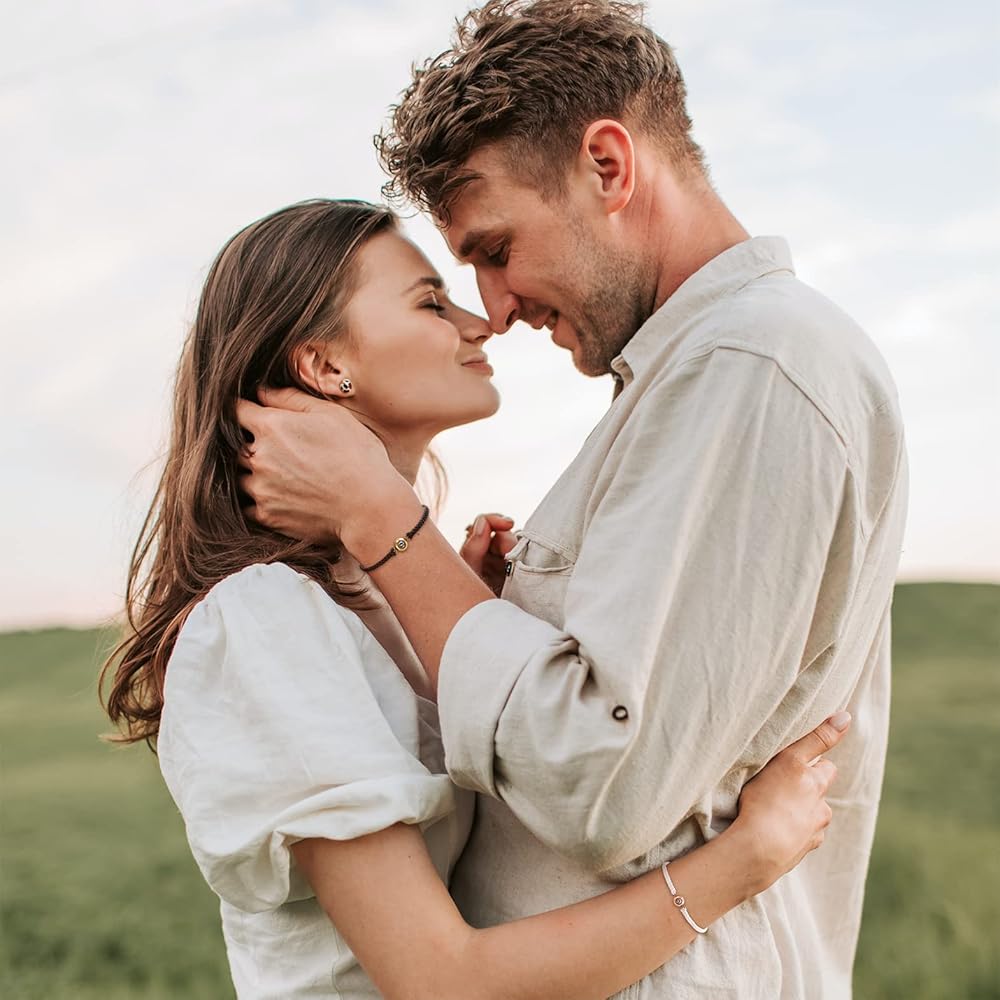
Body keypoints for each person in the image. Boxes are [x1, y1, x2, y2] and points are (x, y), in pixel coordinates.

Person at [235, 3, 909, 999]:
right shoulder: (698, 376)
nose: (495, 309)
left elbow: (603, 782)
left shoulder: (750, 363)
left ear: (607, 166)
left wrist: (382, 520)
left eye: (496, 248)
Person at [101, 198, 845, 1000]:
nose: (481, 322)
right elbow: (440, 981)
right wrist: (744, 861)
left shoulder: (367, 597)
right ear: (321, 364)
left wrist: (469, 633)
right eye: (431, 303)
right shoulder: (261, 621)